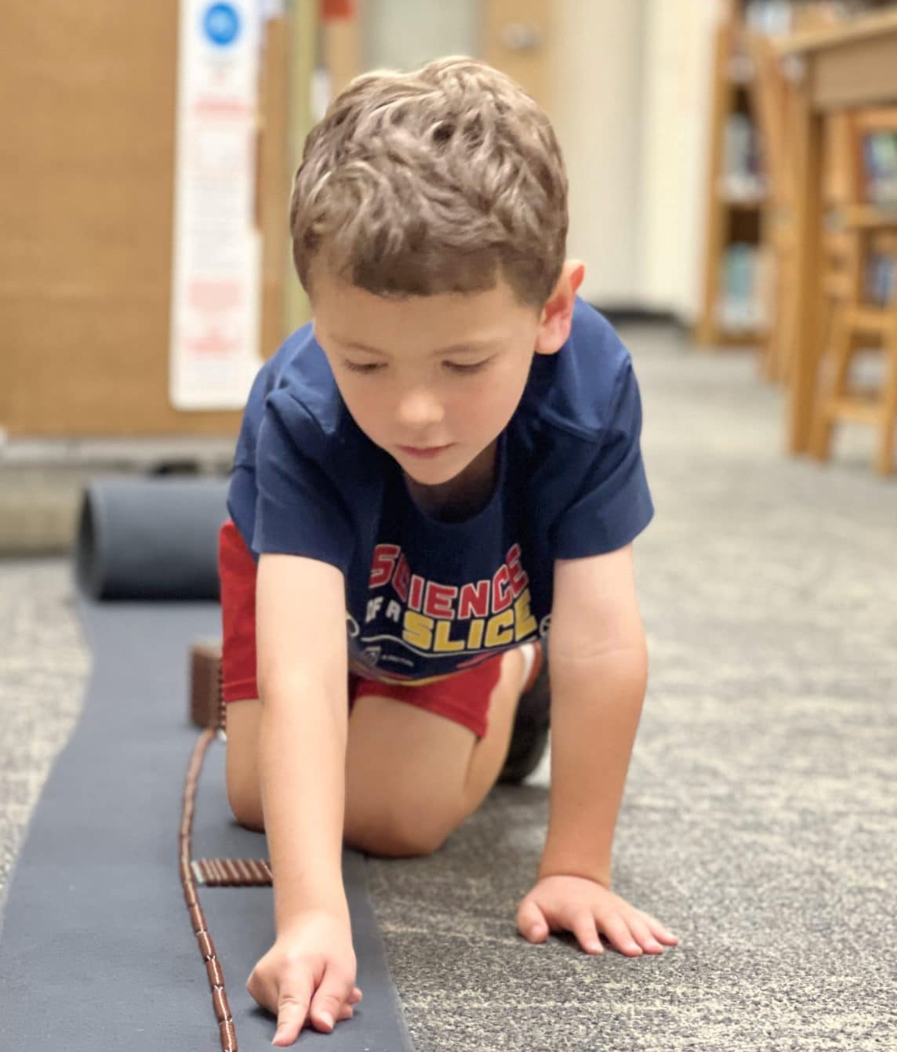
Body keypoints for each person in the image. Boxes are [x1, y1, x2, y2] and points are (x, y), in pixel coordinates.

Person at [216, 56, 679, 1048]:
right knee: (259, 795)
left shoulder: (588, 391)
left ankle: (510, 666)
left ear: (552, 308)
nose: (412, 409)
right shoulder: (304, 413)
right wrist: (311, 917)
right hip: (317, 585)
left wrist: (574, 865)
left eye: (463, 362)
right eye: (364, 360)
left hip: (456, 594)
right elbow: (299, 667)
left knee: (392, 812)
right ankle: (412, 692)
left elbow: (601, 643)